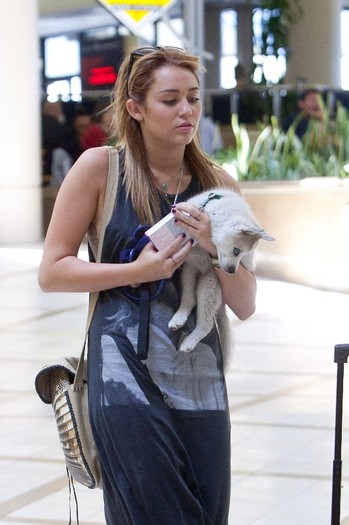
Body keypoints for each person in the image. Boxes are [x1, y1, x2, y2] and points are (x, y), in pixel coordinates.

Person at [38, 46, 257, 525]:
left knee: (205, 513)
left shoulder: (219, 185)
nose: (187, 111)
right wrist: (136, 272)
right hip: (123, 376)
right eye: (170, 99)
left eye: (194, 99)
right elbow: (52, 270)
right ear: (135, 108)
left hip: (201, 379)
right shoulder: (100, 169)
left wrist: (218, 247)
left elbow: (244, 303)